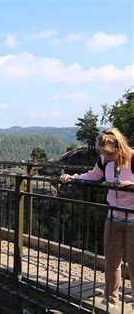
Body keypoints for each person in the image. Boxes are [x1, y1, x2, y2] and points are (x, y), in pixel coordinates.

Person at [60, 128, 134, 310]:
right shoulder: (104, 161)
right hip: (113, 216)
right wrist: (73, 178)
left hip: (133, 219)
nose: (105, 157)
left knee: (133, 263)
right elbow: (93, 175)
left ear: (119, 148)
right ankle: (111, 301)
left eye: (108, 153)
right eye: (102, 153)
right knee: (112, 262)